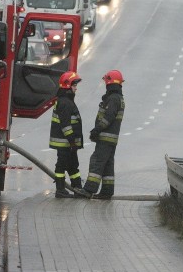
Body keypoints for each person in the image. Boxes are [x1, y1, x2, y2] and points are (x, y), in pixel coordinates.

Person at [75, 70, 126, 199]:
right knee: (108, 165)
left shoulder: (113, 99)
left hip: (105, 137)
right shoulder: (118, 98)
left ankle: (89, 190)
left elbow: (108, 117)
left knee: (97, 162)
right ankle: (107, 191)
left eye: (106, 82)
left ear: (109, 82)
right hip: (111, 139)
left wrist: (97, 130)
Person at [49, 71, 83, 198]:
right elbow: (66, 125)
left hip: (68, 142)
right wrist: (72, 141)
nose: (76, 88)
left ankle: (77, 188)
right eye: (74, 85)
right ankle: (60, 189)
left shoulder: (66, 101)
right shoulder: (65, 102)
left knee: (73, 165)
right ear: (68, 86)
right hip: (64, 142)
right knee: (62, 164)